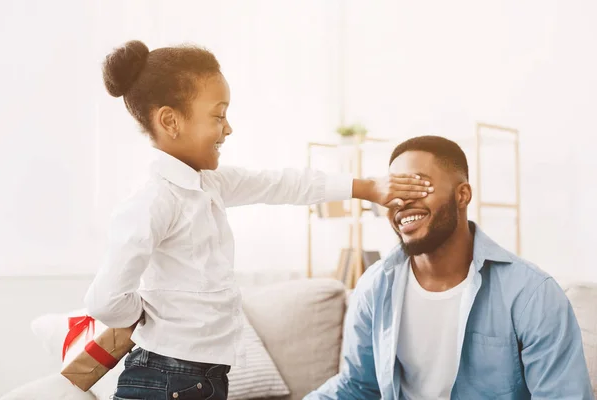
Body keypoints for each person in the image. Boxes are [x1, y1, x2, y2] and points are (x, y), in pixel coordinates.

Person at [83, 40, 434, 400]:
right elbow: (105, 301)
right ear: (171, 121)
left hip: (199, 378)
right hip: (167, 378)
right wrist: (145, 312)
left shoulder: (209, 185)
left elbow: (282, 184)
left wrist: (367, 187)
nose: (228, 128)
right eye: (218, 116)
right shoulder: (154, 199)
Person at [306, 135, 594, 399]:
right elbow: (357, 386)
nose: (402, 202)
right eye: (393, 191)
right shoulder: (375, 286)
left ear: (462, 195)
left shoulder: (532, 295)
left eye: (417, 185)